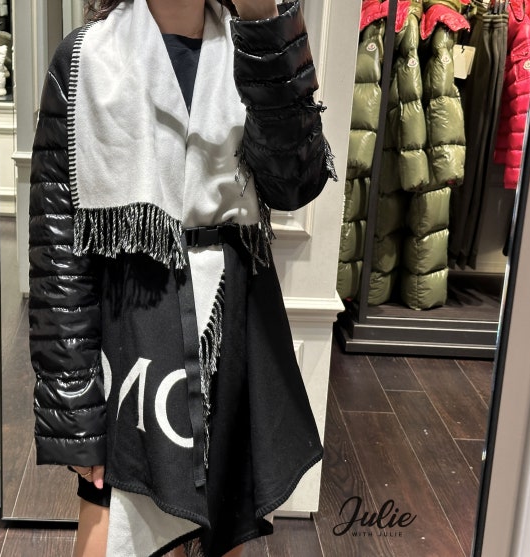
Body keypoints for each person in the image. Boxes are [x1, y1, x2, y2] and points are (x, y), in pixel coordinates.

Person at [28, 0, 335, 555]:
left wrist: (266, 26)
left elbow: (296, 181)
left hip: (231, 325)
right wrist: (75, 412)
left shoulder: (253, 45)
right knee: (116, 529)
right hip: (129, 338)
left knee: (223, 527)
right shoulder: (84, 58)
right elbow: (58, 255)